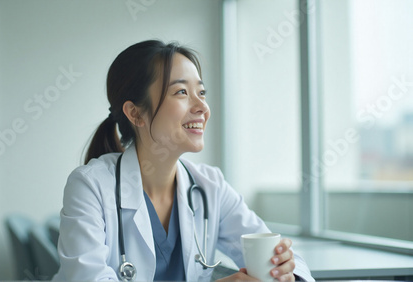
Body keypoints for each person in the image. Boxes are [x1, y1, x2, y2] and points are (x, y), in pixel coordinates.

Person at [52, 40, 313, 281]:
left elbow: (277, 253)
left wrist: (284, 269)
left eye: (201, 92)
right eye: (180, 92)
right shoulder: (90, 186)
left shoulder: (210, 187)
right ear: (135, 113)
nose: (202, 106)